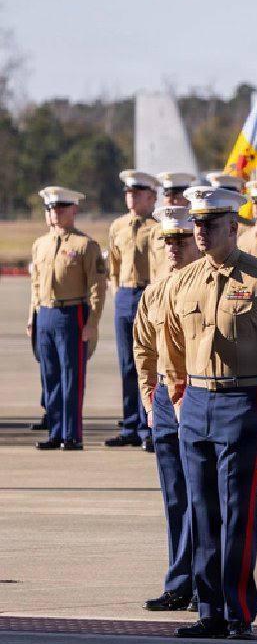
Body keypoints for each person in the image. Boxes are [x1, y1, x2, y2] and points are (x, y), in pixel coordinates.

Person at [163, 185, 257, 639]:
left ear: (232, 228)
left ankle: (238, 611)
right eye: (197, 224)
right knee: (201, 510)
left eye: (210, 225)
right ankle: (209, 610)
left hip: (245, 401)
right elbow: (170, 340)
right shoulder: (186, 280)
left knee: (236, 512)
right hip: (198, 402)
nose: (200, 232)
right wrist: (177, 392)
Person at [133, 205, 201, 612]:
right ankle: (180, 581)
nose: (174, 247)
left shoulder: (209, 285)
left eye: (182, 239)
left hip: (199, 394)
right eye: (168, 240)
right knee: (175, 496)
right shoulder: (154, 292)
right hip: (164, 396)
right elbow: (143, 351)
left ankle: (206, 582)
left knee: (204, 497)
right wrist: (149, 400)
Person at [29, 187, 106, 451]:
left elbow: (97, 287)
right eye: (52, 208)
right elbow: (35, 283)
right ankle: (55, 430)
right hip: (46, 314)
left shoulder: (85, 245)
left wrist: (92, 323)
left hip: (71, 313)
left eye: (62, 207)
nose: (56, 212)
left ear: (74, 209)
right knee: (50, 376)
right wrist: (33, 317)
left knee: (71, 376)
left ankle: (72, 434)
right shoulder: (41, 244)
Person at [106, 170, 160, 449]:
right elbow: (113, 264)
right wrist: (117, 290)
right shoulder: (118, 226)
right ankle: (129, 424)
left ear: (151, 197)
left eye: (137, 193)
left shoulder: (158, 228)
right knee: (127, 364)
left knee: (147, 363)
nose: (131, 197)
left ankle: (147, 425)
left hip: (148, 294)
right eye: (129, 193)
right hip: (125, 295)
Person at [150, 173, 199, 283]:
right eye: (167, 196)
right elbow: (153, 268)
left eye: (176, 197)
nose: (170, 201)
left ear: (188, 199)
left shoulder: (198, 227)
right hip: (162, 288)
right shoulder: (155, 231)